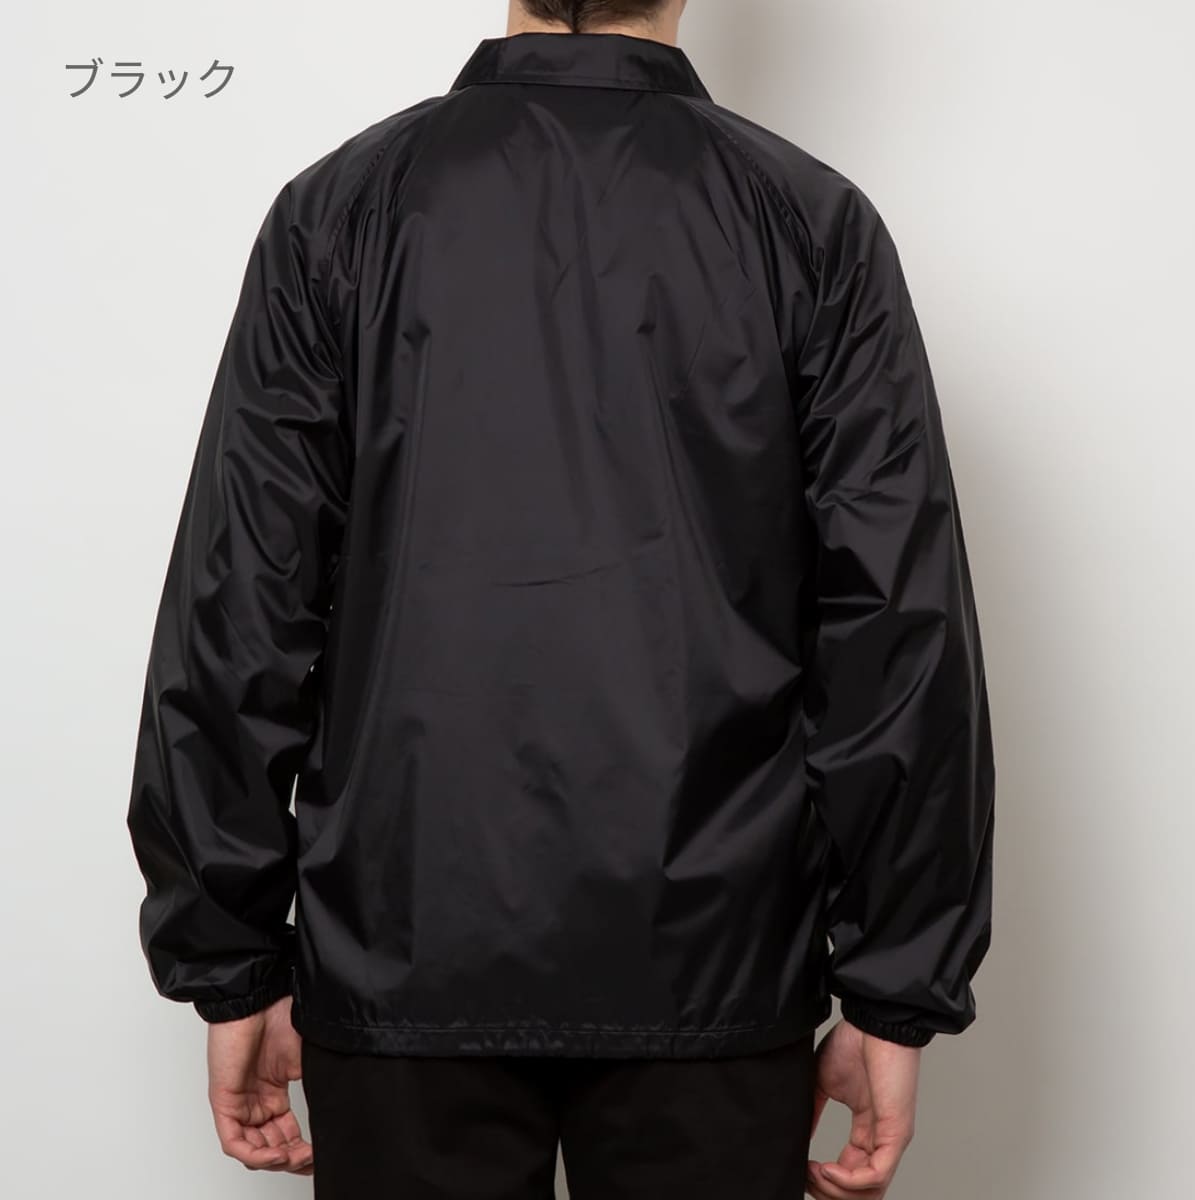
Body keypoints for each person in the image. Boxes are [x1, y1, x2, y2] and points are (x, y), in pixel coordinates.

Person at [125, 1, 996, 1196]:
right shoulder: (810, 223)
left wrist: (229, 959)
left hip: (404, 949)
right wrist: (896, 987)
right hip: (714, 960)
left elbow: (241, 603)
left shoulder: (340, 212)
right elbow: (896, 627)